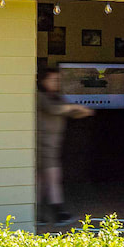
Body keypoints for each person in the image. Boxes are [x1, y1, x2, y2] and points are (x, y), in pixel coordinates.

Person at [35, 66, 91, 225]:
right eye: (53, 80)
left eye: (59, 80)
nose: (57, 83)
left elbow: (70, 111)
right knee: (53, 179)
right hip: (42, 145)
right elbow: (54, 110)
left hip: (53, 145)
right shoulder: (40, 96)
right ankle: (58, 214)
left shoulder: (56, 97)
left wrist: (80, 110)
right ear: (43, 80)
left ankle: (38, 215)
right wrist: (77, 108)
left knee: (41, 181)